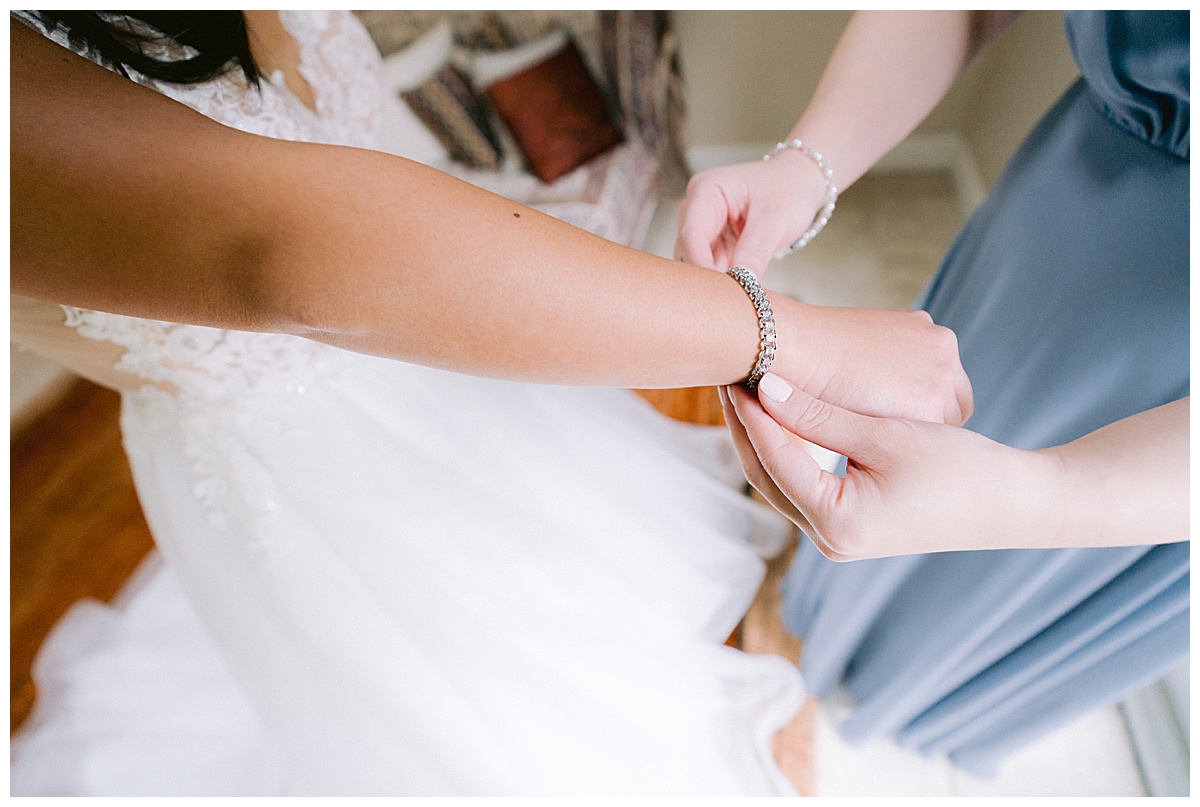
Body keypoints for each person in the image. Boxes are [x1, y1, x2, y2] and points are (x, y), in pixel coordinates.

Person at [9, 10, 971, 796]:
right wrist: (778, 330)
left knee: (591, 585)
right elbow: (290, 249)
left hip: (448, 373)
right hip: (307, 475)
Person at [676, 10, 1188, 775]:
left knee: (996, 579)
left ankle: (889, 694)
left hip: (1172, 428)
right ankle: (819, 618)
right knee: (907, 438)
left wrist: (1042, 492)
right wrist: (804, 169)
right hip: (1054, 216)